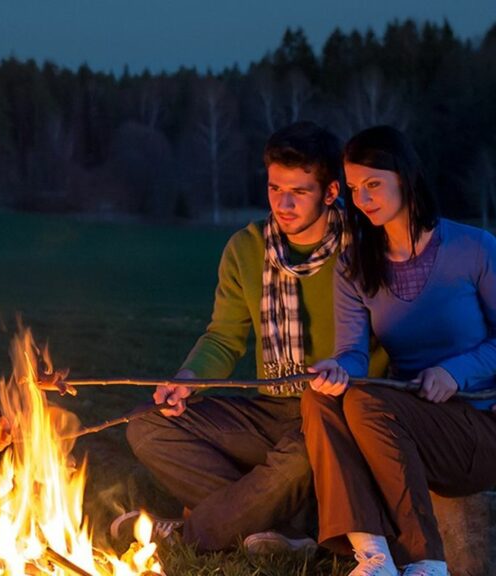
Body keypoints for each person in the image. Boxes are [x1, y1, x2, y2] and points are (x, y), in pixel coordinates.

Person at [126, 121, 387, 554]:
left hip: (337, 413)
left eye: (299, 192)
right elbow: (224, 339)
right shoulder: (246, 249)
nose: (282, 204)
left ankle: (192, 533)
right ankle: (291, 528)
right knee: (146, 426)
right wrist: (188, 377)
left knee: (301, 457)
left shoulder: (365, 249)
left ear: (331, 191)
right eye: (273, 188)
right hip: (272, 406)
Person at [303, 125, 496, 576]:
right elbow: (352, 352)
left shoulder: (474, 249)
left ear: (405, 178)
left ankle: (427, 562)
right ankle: (375, 557)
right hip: (409, 422)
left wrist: (457, 372)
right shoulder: (354, 265)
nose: (363, 198)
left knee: (369, 405)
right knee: (319, 396)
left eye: (373, 184)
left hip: (479, 423)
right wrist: (336, 367)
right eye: (354, 188)